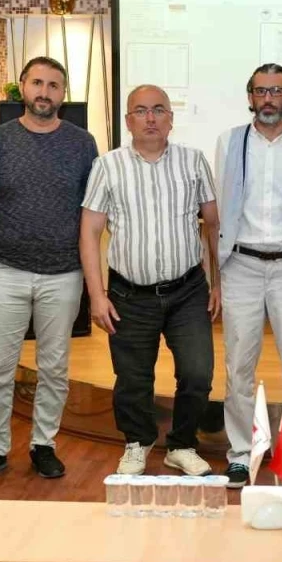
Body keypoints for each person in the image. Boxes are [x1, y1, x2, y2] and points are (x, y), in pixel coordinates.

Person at [0, 56, 98, 485]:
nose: (44, 92)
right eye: (37, 83)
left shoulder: (83, 143)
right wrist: (9, 230)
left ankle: (43, 445)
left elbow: (91, 206)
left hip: (64, 272)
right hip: (7, 270)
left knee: (54, 367)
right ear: (22, 87)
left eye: (53, 85)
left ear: (63, 94)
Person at [80, 85, 221, 477]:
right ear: (128, 121)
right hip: (128, 294)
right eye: (141, 111)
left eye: (159, 110)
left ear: (171, 119)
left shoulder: (194, 161)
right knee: (132, 378)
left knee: (197, 373)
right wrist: (96, 295)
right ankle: (137, 442)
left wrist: (219, 283)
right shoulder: (107, 166)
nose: (151, 118)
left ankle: (182, 445)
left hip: (188, 291)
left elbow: (213, 225)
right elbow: (89, 231)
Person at [215, 63, 282, 488]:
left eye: (277, 91)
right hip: (241, 265)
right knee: (238, 367)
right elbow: (219, 206)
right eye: (260, 91)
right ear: (250, 97)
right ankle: (241, 454)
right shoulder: (229, 141)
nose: (268, 99)